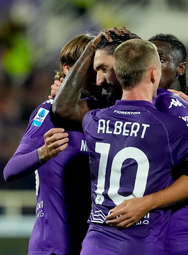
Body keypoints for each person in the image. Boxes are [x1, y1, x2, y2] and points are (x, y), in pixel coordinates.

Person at [53, 32, 188, 254]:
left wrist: (147, 202)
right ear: (153, 73)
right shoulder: (168, 125)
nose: (98, 80)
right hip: (144, 240)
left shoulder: (94, 120)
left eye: (104, 69)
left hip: (161, 237)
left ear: (120, 70)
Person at [3, 33, 95, 255]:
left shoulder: (109, 113)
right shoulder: (48, 113)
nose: (96, 75)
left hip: (97, 245)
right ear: (67, 68)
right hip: (53, 245)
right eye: (89, 66)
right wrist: (42, 153)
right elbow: (10, 170)